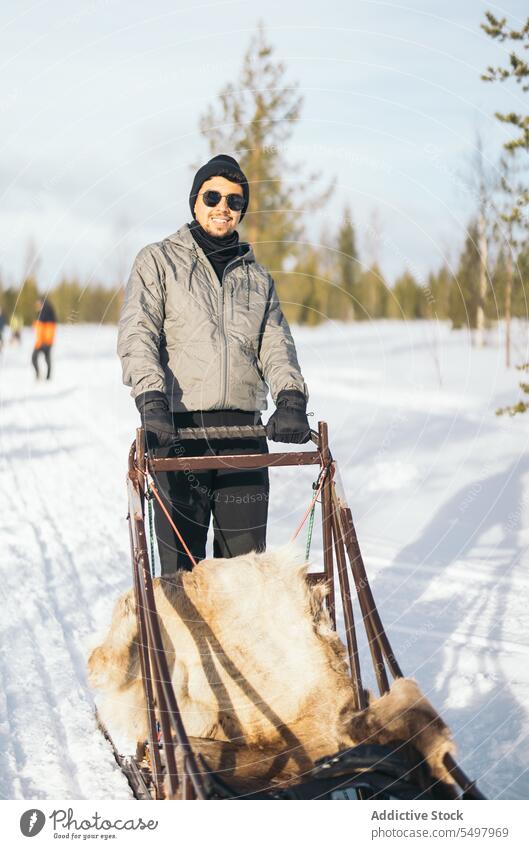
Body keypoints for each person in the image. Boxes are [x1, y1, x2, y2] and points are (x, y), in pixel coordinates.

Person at [118, 154, 311, 575]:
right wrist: (151, 400)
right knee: (180, 575)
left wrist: (292, 398)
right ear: (195, 202)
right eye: (212, 196)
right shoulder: (158, 261)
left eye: (234, 200)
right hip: (177, 433)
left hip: (244, 434)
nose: (223, 206)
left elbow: (276, 344)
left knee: (243, 577)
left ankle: (235, 644)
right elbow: (138, 333)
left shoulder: (257, 277)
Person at [32, 297, 57, 380]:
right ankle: (45, 376)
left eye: (38, 304)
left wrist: (45, 342)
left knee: (36, 358)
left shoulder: (45, 312)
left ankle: (44, 376)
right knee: (44, 358)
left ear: (42, 303)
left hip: (44, 341)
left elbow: (46, 328)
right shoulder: (45, 312)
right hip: (44, 341)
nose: (36, 306)